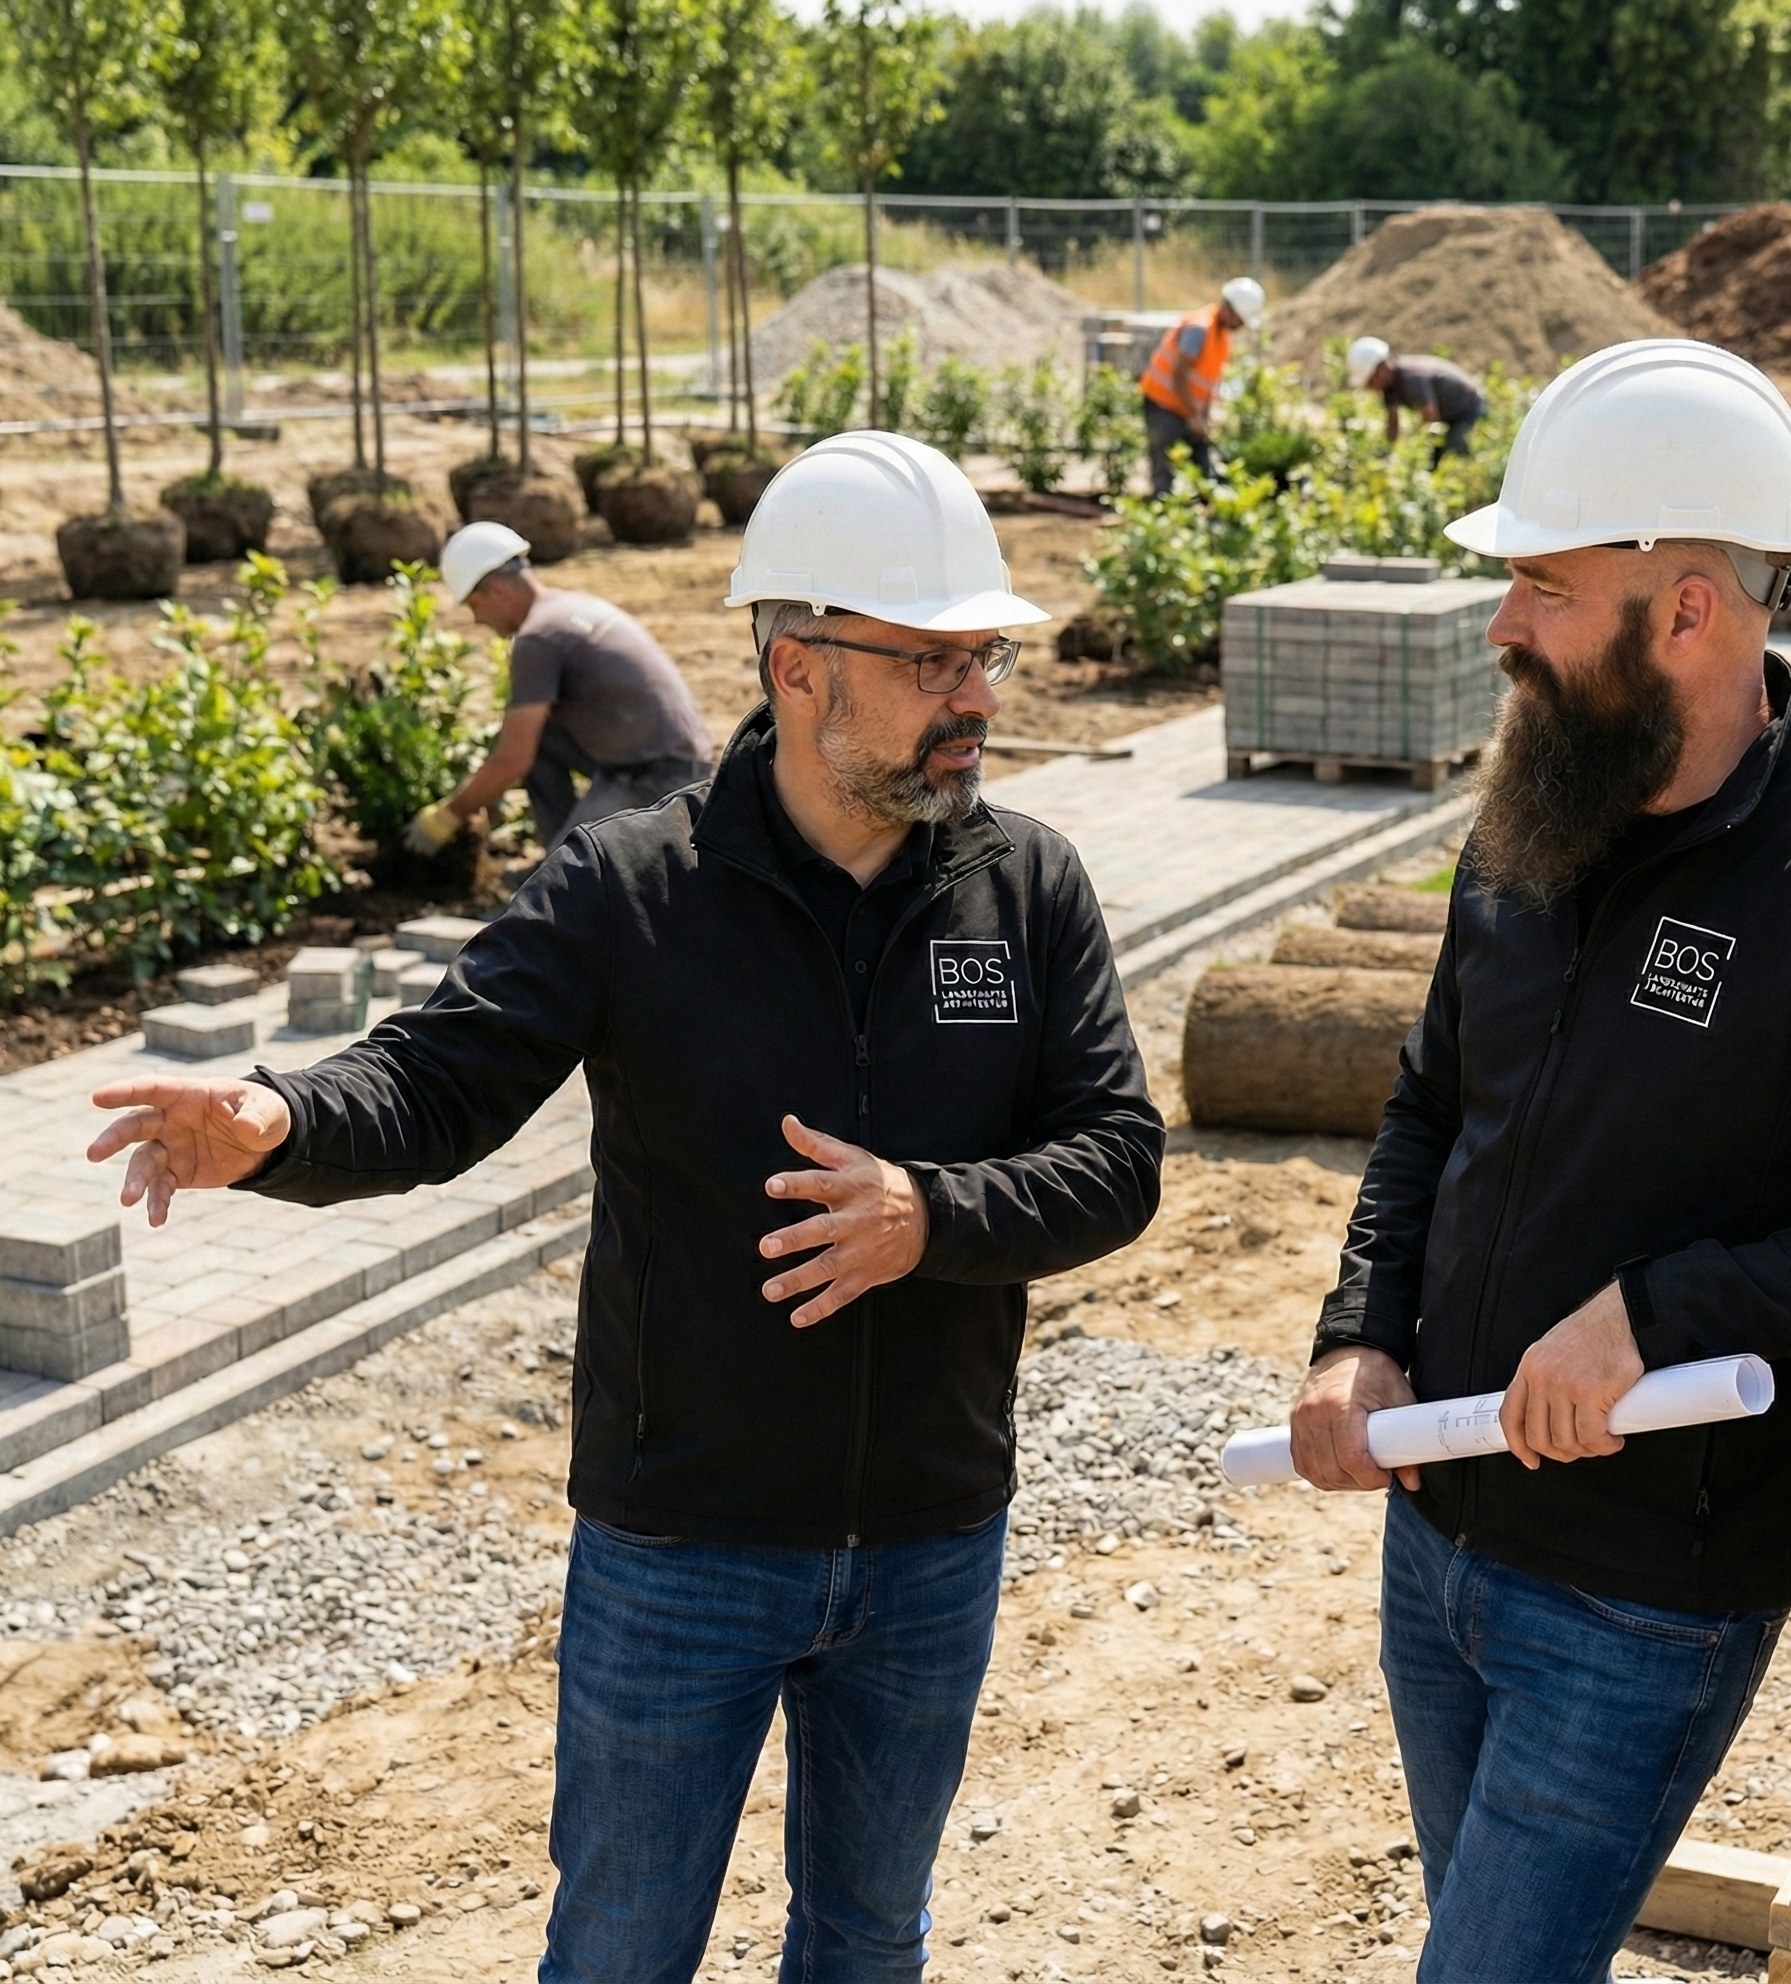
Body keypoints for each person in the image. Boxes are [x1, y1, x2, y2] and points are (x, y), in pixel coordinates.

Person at [87, 431, 1167, 1984]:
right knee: (619, 1948)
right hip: (684, 1546)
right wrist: (279, 1119)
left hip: (934, 1533)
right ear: (799, 667)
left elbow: (1117, 1157)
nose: (978, 699)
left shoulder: (1030, 885)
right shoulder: (631, 888)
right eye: (933, 662)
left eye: (983, 657)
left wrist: (932, 1215)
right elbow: (439, 1080)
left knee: (871, 1938)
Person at [1288, 339, 1791, 1984]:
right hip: (1438, 1536)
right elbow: (1429, 1105)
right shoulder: (1528, 823)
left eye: (1543, 587)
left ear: (1686, 608)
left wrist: (1658, 1311)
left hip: (1640, 1597)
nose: (1500, 624)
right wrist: (1358, 1329)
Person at [403, 522, 715, 857]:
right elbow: (524, 744)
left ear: (497, 590)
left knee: (566, 878)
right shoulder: (568, 608)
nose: (477, 620)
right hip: (666, 759)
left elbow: (513, 759)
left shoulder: (539, 638)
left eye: (474, 605)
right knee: (540, 736)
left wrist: (448, 815)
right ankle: (561, 854)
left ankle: (567, 867)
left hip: (659, 779)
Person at [1140, 275, 1265, 498]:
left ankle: (1208, 505)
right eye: (1241, 320)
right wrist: (1195, 415)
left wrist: (1205, 417)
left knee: (1205, 468)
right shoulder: (1199, 329)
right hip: (1162, 404)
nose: (1242, 326)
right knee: (1164, 469)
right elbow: (1178, 377)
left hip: (1186, 408)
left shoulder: (1222, 337)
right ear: (1230, 310)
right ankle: (1161, 507)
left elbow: (1207, 383)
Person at [1345, 337, 1485, 463]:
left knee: (1454, 451)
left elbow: (1430, 416)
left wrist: (1419, 452)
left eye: (1370, 381)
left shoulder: (1411, 378)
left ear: (1381, 370)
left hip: (1469, 409)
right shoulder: (1389, 388)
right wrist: (1390, 455)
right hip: (1448, 416)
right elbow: (1393, 423)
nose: (1370, 388)